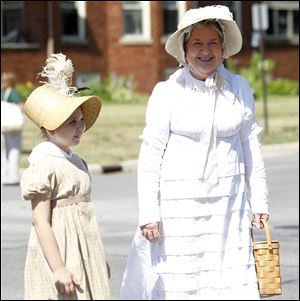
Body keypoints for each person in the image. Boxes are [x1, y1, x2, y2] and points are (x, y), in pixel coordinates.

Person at [120, 5, 269, 300]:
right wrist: (149, 213)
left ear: (223, 49)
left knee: (226, 279)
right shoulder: (167, 91)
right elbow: (150, 156)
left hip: (228, 208)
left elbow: (252, 148)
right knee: (184, 281)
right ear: (184, 51)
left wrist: (259, 201)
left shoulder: (239, 88)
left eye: (213, 43)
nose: (205, 51)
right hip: (180, 210)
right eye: (197, 44)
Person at [20, 53, 111, 300]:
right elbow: (41, 222)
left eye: (81, 120)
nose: (80, 127)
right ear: (50, 128)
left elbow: (85, 219)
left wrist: (96, 258)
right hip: (59, 251)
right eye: (71, 122)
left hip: (85, 249)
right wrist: (58, 268)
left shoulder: (77, 161)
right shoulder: (44, 164)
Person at [1, 72, 23, 185]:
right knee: (14, 150)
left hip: (3, 126)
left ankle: (4, 175)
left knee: (4, 151)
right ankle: (13, 176)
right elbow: (20, 106)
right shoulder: (13, 92)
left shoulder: (2, 93)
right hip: (13, 126)